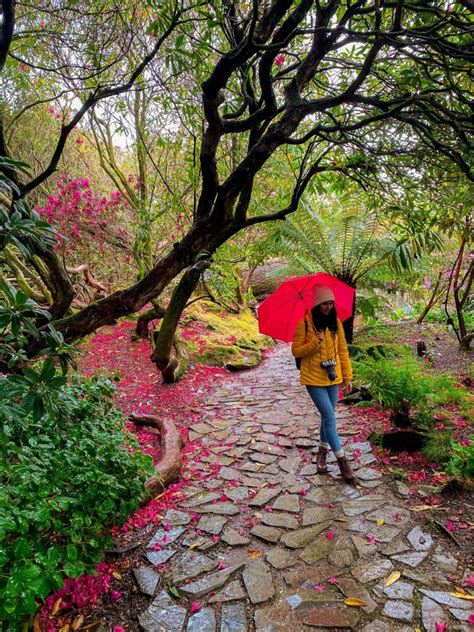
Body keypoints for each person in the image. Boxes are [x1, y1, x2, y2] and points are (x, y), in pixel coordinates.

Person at [291, 285, 355, 483]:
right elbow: (296, 351)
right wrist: (313, 344)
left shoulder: (336, 323)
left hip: (332, 377)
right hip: (313, 378)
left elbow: (342, 351)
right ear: (317, 305)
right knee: (329, 416)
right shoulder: (305, 324)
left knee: (327, 418)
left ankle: (321, 452)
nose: (328, 307)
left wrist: (347, 376)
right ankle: (343, 461)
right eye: (324, 304)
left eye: (330, 303)